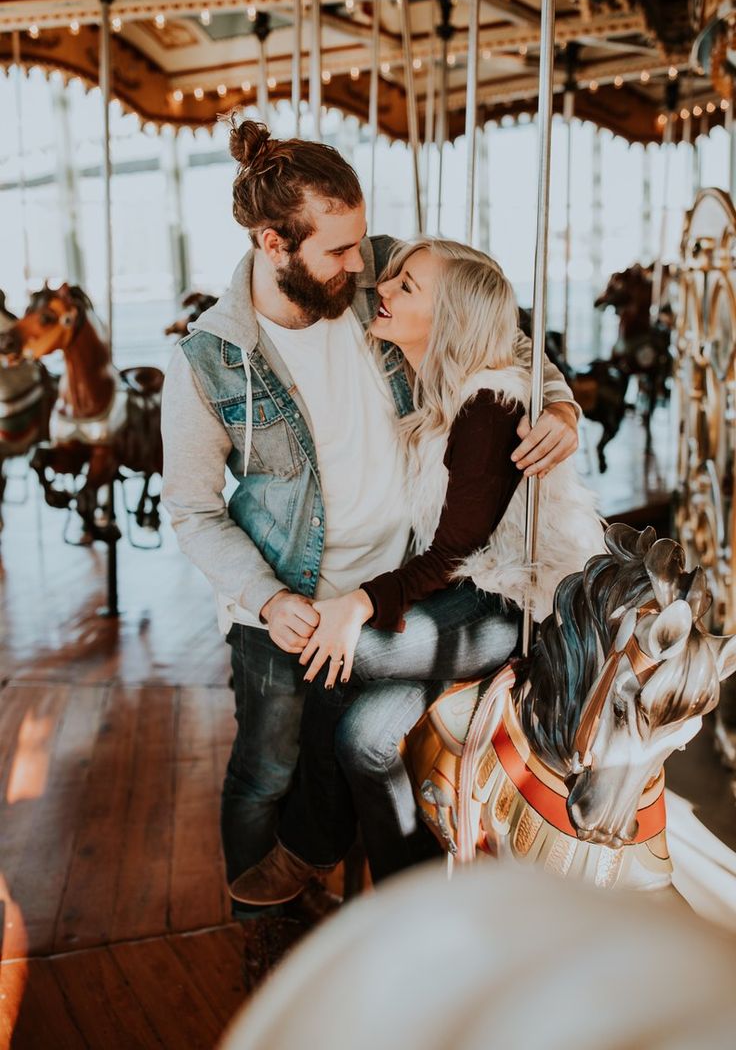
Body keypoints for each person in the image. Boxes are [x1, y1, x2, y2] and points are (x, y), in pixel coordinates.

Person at [161, 115, 582, 912]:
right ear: (273, 244)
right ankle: (264, 925)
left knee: (356, 733)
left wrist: (558, 404)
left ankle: (395, 909)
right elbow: (190, 510)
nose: (364, 268)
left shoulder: (374, 281)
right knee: (265, 771)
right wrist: (268, 598)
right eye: (341, 252)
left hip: (413, 578)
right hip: (287, 600)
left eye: (363, 246)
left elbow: (498, 334)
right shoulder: (209, 361)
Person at [227, 239, 605, 907]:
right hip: (461, 590)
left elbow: (456, 550)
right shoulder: (439, 387)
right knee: (364, 738)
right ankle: (416, 901)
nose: (386, 289)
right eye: (393, 277)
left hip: (506, 601)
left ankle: (309, 848)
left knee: (337, 652)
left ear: (453, 316)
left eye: (408, 287)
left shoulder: (491, 404)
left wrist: (360, 606)